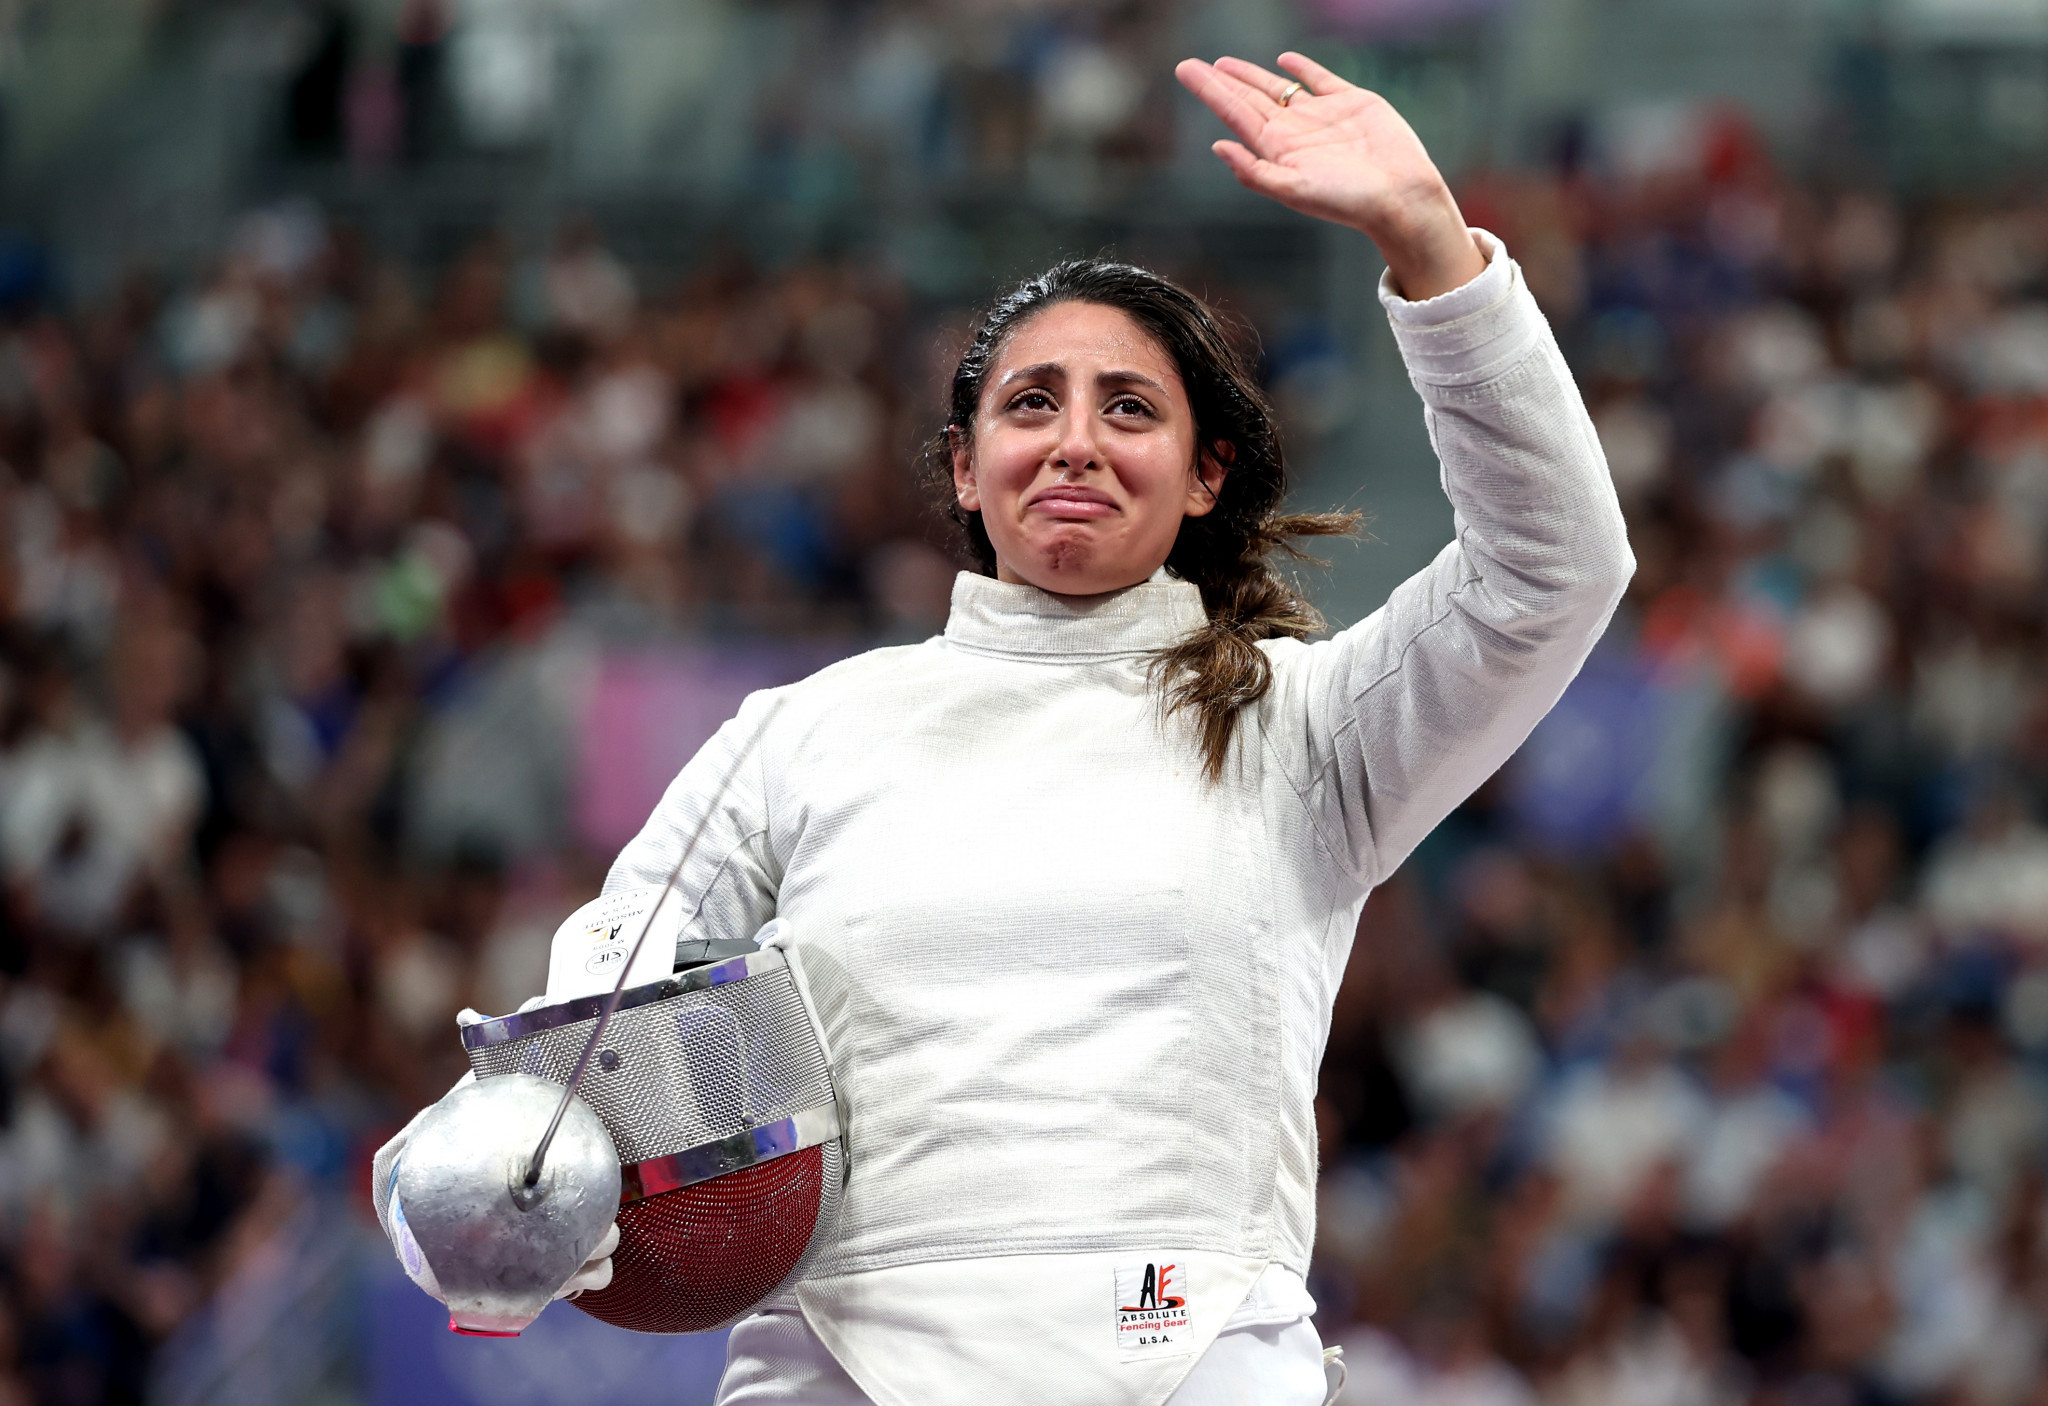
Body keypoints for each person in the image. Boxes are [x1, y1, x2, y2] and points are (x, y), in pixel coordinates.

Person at [383, 49, 1633, 1406]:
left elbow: (1553, 571)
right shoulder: (807, 729)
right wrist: (530, 1159)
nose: (1078, 440)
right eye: (1031, 403)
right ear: (966, 467)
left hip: (1197, 1357)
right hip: (836, 1365)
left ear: (1208, 472)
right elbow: (608, 995)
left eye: (1131, 408)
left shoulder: (1302, 724)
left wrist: (1436, 254)